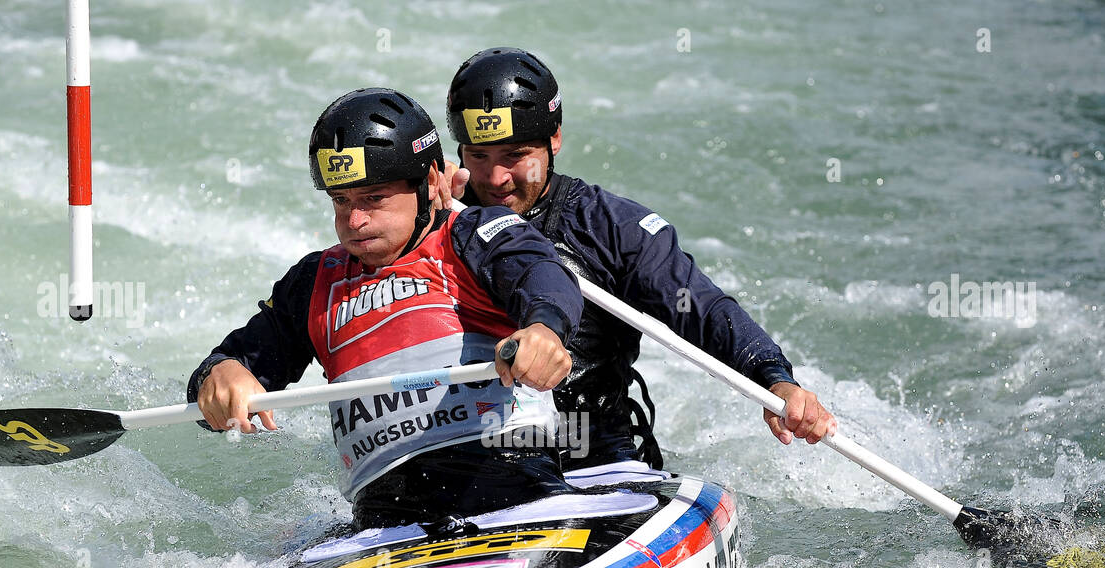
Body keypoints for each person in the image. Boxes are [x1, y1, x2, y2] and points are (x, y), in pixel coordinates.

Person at [187, 88, 584, 529]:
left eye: (374, 199)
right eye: (342, 201)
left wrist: (544, 331)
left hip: (515, 485)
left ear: (431, 182)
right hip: (384, 519)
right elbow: (236, 363)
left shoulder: (476, 234)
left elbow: (544, 279)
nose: (354, 221)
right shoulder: (314, 282)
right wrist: (221, 375)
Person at [443, 47, 837, 469]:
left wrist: (775, 382)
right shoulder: (434, 214)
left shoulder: (612, 228)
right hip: (463, 455)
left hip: (586, 454)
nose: (496, 178)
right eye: (478, 156)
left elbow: (699, 307)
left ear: (554, 137)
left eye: (515, 156)